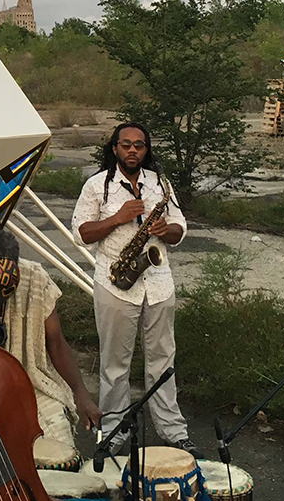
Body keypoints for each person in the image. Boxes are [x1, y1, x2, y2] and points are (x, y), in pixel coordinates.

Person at [71, 122, 202, 459]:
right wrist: (117, 217)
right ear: (115, 148)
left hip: (158, 283)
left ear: (146, 149)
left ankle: (173, 430)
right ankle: (113, 432)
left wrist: (167, 229)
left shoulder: (160, 184)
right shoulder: (96, 186)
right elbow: (82, 233)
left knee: (163, 359)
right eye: (125, 145)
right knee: (115, 364)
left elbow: (180, 228)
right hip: (115, 283)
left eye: (139, 145)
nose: (132, 151)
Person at [0, 228, 102, 468]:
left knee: (61, 448)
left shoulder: (35, 278)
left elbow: (55, 341)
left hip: (33, 384)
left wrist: (81, 394)